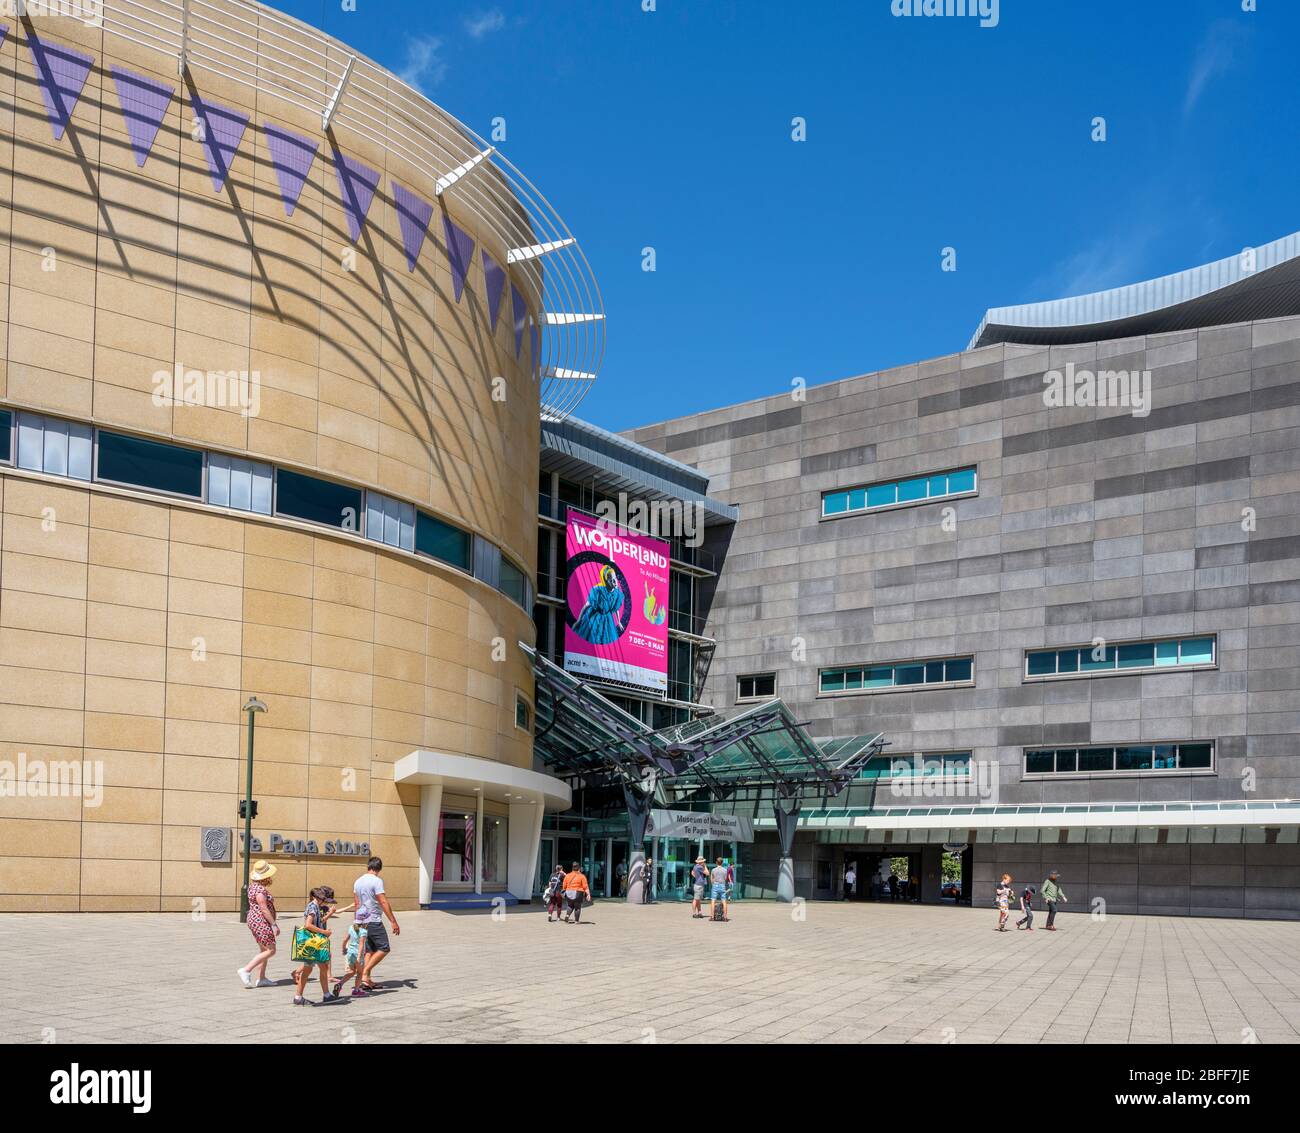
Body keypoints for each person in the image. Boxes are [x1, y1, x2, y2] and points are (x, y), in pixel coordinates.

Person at [354, 856, 400, 994]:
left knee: (370, 950)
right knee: (384, 947)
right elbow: (383, 902)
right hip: (373, 920)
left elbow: (357, 904)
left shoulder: (358, 882)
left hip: (362, 920)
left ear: (368, 866)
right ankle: (364, 973)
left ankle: (366, 980)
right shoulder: (377, 881)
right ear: (379, 868)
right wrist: (393, 921)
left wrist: (356, 922)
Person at [237, 860, 279, 988]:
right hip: (261, 921)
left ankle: (261, 978)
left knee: (264, 950)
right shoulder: (260, 889)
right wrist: (274, 924)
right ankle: (246, 969)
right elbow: (263, 908)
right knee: (271, 950)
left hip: (255, 920)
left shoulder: (253, 887)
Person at [293, 886, 338, 1004]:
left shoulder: (315, 906)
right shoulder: (313, 906)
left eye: (322, 899)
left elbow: (319, 921)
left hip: (314, 943)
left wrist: (328, 916)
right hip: (313, 943)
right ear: (314, 896)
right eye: (320, 898)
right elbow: (308, 925)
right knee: (312, 970)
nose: (322, 901)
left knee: (321, 968)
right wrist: (324, 932)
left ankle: (326, 995)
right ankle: (299, 997)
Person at [572, 564, 624, 644]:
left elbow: (616, 608)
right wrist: (579, 621)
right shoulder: (598, 591)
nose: (614, 581)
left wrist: (619, 622)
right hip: (594, 618)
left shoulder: (617, 593)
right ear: (606, 581)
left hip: (607, 620)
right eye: (611, 580)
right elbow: (586, 606)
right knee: (592, 638)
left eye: (615, 578)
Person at [331, 919, 369, 998]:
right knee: (359, 973)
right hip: (357, 954)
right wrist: (359, 957)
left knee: (352, 971)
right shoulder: (363, 931)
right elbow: (361, 944)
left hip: (350, 953)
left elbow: (345, 940)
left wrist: (343, 948)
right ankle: (356, 990)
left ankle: (340, 984)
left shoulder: (351, 927)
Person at [709, 856, 730, 922]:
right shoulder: (725, 870)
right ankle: (725, 917)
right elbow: (725, 878)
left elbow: (711, 879)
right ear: (722, 863)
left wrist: (713, 884)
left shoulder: (713, 870)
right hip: (722, 885)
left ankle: (712, 917)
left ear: (716, 862)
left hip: (715, 884)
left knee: (713, 901)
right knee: (724, 901)